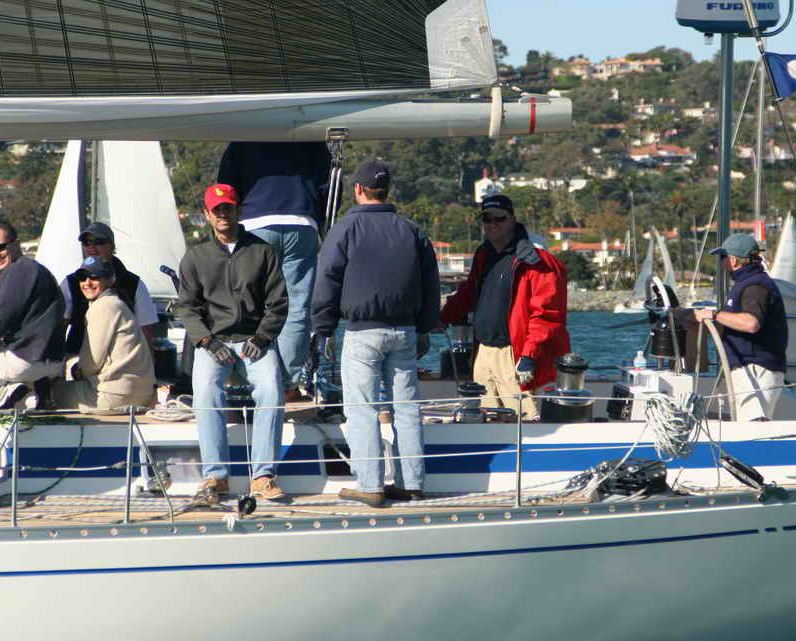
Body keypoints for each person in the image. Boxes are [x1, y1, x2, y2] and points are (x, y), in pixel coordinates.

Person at [311, 161, 440, 508]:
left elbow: (327, 280)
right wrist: (425, 326)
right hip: (405, 331)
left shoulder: (345, 229)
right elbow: (431, 283)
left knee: (362, 410)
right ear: (387, 190)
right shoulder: (412, 230)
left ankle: (370, 485)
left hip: (363, 332)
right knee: (407, 410)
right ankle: (412, 483)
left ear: (357, 190)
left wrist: (323, 329)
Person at [175, 183, 289, 505]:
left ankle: (263, 476)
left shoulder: (263, 252)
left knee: (272, 391)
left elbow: (278, 303)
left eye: (228, 207)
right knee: (205, 393)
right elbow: (187, 308)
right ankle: (216, 477)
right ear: (207, 214)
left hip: (255, 341)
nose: (223, 214)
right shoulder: (195, 256)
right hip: (215, 342)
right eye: (217, 209)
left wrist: (263, 336)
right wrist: (207, 341)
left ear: (238, 210)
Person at [439, 194, 570, 420]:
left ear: (512, 219)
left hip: (514, 356)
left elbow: (547, 314)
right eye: (487, 219)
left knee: (525, 423)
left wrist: (528, 356)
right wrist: (441, 318)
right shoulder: (484, 255)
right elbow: (469, 292)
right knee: (485, 418)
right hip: (483, 352)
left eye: (499, 218)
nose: (493, 224)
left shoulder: (536, 260)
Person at [217, 141, 331, 400]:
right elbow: (327, 185)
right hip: (302, 222)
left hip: (255, 221)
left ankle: (254, 379)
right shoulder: (310, 136)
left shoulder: (241, 140)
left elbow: (226, 188)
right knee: (297, 307)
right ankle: (288, 385)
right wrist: (321, 223)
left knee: (252, 304)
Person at [695, 233, 788, 421]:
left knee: (754, 426)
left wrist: (714, 315)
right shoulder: (749, 283)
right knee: (747, 424)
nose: (721, 263)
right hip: (749, 366)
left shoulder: (755, 286)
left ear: (734, 260)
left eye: (723, 257)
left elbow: (751, 323)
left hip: (756, 369)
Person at [52, 257, 156, 411]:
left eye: (94, 277)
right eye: (82, 277)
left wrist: (74, 368)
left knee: (47, 394)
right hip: (141, 393)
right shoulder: (117, 303)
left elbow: (91, 364)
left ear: (110, 280)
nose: (87, 283)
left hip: (114, 395)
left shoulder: (103, 306)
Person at [0, 221, 65, 408]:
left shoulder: (17, 270)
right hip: (53, 362)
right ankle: (31, 395)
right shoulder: (42, 271)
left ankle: (9, 388)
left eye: (0, 247)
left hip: (24, 360)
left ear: (16, 244)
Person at [60, 221, 159, 353]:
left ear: (112, 245)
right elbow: (59, 329)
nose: (92, 246)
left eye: (99, 241)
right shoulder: (70, 283)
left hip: (121, 360)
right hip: (78, 358)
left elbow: (146, 331)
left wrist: (149, 360)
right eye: (86, 242)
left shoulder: (134, 284)